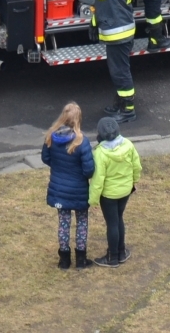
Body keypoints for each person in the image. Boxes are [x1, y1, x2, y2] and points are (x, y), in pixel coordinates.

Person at [41, 101, 96, 270]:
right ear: (78, 119)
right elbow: (89, 169)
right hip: (79, 190)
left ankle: (64, 260)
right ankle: (81, 259)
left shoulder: (51, 137)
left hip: (59, 189)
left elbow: (45, 158)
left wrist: (58, 168)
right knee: (82, 222)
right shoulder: (81, 141)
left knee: (63, 223)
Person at [90, 0, 139, 122]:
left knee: (120, 72)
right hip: (117, 32)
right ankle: (120, 103)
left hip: (119, 35)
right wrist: (94, 22)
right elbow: (102, 1)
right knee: (117, 71)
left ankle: (128, 110)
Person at [90, 116, 141, 267]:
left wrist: (93, 200)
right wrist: (134, 182)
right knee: (119, 219)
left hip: (109, 195)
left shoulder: (100, 153)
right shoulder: (128, 145)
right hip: (125, 190)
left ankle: (112, 258)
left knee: (112, 223)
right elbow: (136, 166)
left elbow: (98, 180)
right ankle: (121, 252)